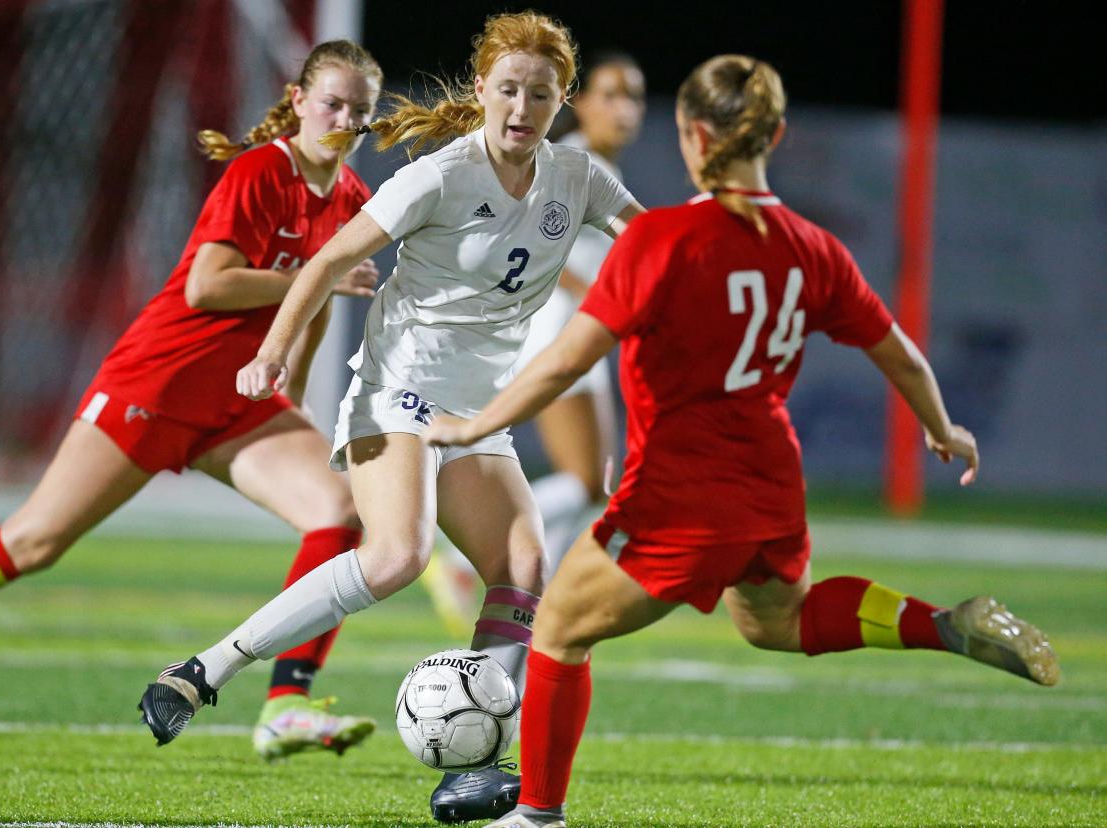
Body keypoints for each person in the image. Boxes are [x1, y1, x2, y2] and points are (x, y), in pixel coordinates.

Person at [422, 54, 1062, 828]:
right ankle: (945, 625)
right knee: (776, 623)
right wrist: (941, 427)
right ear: (776, 134)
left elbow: (566, 359)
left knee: (557, 627)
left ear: (692, 135)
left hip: (681, 491)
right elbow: (897, 349)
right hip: (771, 483)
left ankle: (536, 816)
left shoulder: (663, 238)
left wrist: (478, 423)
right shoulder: (811, 246)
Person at [136, 11, 644, 823]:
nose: (520, 108)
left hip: (477, 411)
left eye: (539, 95)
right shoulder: (442, 175)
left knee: (523, 568)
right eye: (507, 90)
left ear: (563, 101)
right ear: (482, 91)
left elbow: (651, 245)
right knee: (396, 556)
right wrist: (273, 349)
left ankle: (475, 759)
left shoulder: (577, 178)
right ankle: (203, 671)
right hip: (398, 389)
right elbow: (333, 259)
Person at [0, 40, 385, 764]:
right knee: (32, 542)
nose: (345, 119)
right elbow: (209, 284)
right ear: (298, 100)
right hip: (159, 385)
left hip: (235, 405)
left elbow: (315, 302)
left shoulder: (355, 198)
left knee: (340, 513)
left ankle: (286, 705)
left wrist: (289, 389)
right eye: (333, 102)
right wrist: (316, 281)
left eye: (360, 112)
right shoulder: (262, 171)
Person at [420, 52, 647, 635]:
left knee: (594, 484)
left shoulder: (594, 169)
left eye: (635, 97)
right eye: (611, 94)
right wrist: (615, 297)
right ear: (582, 101)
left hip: (577, 336)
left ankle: (533, 585)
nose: (624, 109)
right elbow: (552, 256)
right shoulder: (575, 169)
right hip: (555, 335)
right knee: (585, 480)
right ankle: (473, 567)